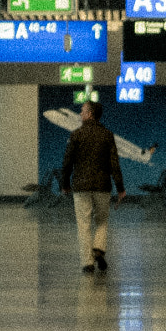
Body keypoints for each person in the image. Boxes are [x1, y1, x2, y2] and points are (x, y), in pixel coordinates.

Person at [60, 99, 126, 274]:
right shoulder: (107, 135)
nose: (80, 114)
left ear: (90, 114)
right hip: (102, 186)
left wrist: (64, 184)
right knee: (102, 221)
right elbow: (114, 164)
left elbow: (67, 162)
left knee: (83, 224)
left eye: (82, 111)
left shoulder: (76, 135)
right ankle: (98, 248)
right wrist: (120, 188)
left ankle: (88, 263)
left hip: (81, 186)